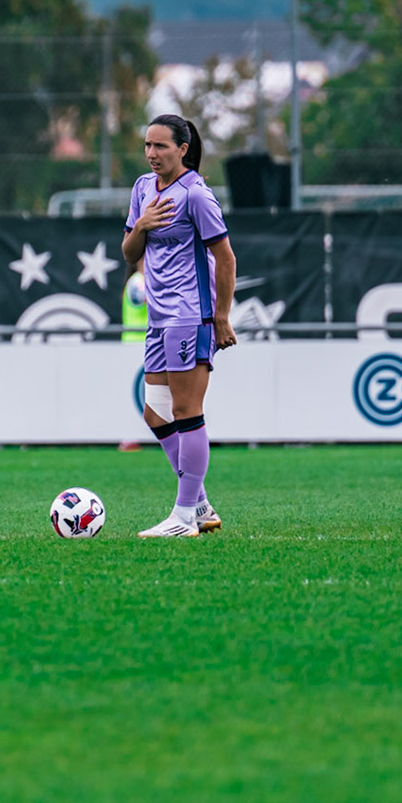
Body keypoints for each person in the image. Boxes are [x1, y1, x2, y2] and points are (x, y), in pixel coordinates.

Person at [121, 114, 237, 538]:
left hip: (191, 316)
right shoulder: (142, 189)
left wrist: (221, 317)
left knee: (188, 412)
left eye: (161, 146)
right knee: (155, 414)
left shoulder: (196, 196)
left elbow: (226, 258)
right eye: (148, 146)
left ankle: (184, 516)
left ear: (182, 149)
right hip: (158, 318)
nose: (152, 154)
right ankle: (201, 505)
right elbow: (130, 251)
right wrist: (144, 224)